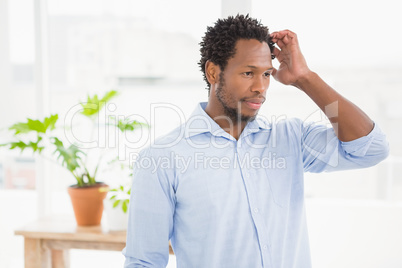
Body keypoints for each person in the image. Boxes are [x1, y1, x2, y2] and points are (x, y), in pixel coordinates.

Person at [123, 14, 389, 268]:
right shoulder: (163, 158)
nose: (260, 87)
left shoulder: (290, 139)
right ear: (213, 73)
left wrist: (305, 78)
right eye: (249, 73)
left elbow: (371, 149)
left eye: (266, 74)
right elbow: (144, 261)